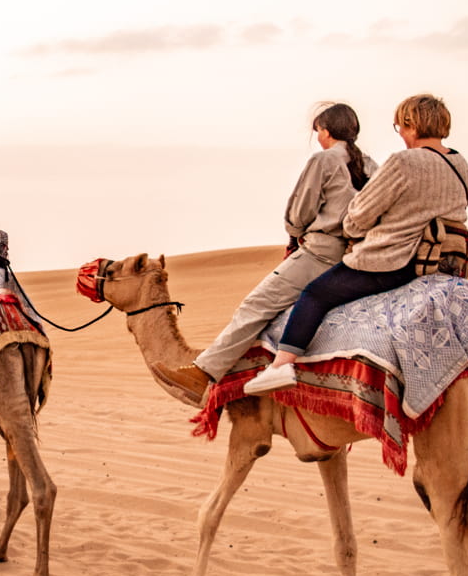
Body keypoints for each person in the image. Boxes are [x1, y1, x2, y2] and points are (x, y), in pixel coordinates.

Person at [244, 93, 468, 395]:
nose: (401, 135)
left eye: (400, 127)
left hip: (396, 261)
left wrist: (358, 226)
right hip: (446, 262)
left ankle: (281, 365)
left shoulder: (403, 162)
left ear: (412, 125)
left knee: (315, 294)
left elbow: (358, 215)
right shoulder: (459, 163)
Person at [155, 102, 377, 399]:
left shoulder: (323, 161)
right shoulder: (372, 165)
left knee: (257, 306)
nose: (318, 137)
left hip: (319, 253)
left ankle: (203, 373)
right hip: (353, 258)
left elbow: (299, 213)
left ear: (326, 131)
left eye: (318, 130)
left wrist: (295, 233)